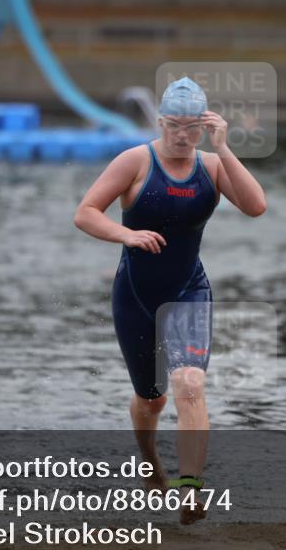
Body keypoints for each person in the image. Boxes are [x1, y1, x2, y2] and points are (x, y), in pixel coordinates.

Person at [74, 76, 266, 524]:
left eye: (192, 128)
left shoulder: (212, 167)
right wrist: (127, 234)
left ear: (204, 127)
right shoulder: (134, 162)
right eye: (174, 126)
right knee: (152, 399)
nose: (182, 136)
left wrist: (224, 150)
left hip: (188, 291)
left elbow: (256, 207)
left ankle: (191, 489)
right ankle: (148, 461)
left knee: (190, 384)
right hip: (136, 295)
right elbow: (84, 213)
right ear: (160, 122)